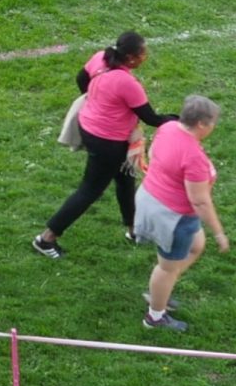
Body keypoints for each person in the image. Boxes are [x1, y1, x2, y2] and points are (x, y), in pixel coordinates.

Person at [33, 31, 173, 259]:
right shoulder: (127, 83)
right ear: (130, 58)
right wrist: (179, 120)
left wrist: (97, 100)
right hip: (108, 142)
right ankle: (46, 238)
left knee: (125, 178)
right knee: (90, 190)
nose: (145, 57)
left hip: (90, 128)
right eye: (143, 54)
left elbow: (81, 78)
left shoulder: (100, 58)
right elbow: (151, 118)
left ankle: (133, 230)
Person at [136, 96, 228, 331]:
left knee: (196, 246)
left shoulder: (167, 128)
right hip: (172, 217)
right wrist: (219, 233)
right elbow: (200, 202)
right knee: (166, 267)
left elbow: (154, 151)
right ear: (201, 124)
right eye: (213, 123)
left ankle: (160, 291)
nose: (213, 127)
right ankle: (155, 317)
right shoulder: (194, 158)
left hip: (150, 198)